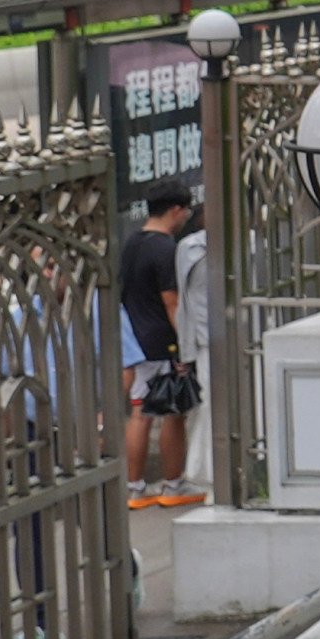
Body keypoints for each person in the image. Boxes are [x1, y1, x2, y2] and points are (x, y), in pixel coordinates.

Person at [116, 185, 198, 499]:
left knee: (140, 411)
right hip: (163, 342)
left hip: (135, 340)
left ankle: (134, 487)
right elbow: (172, 302)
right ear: (176, 210)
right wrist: (184, 342)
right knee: (173, 413)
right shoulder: (165, 248)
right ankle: (173, 484)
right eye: (186, 211)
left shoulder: (132, 243)